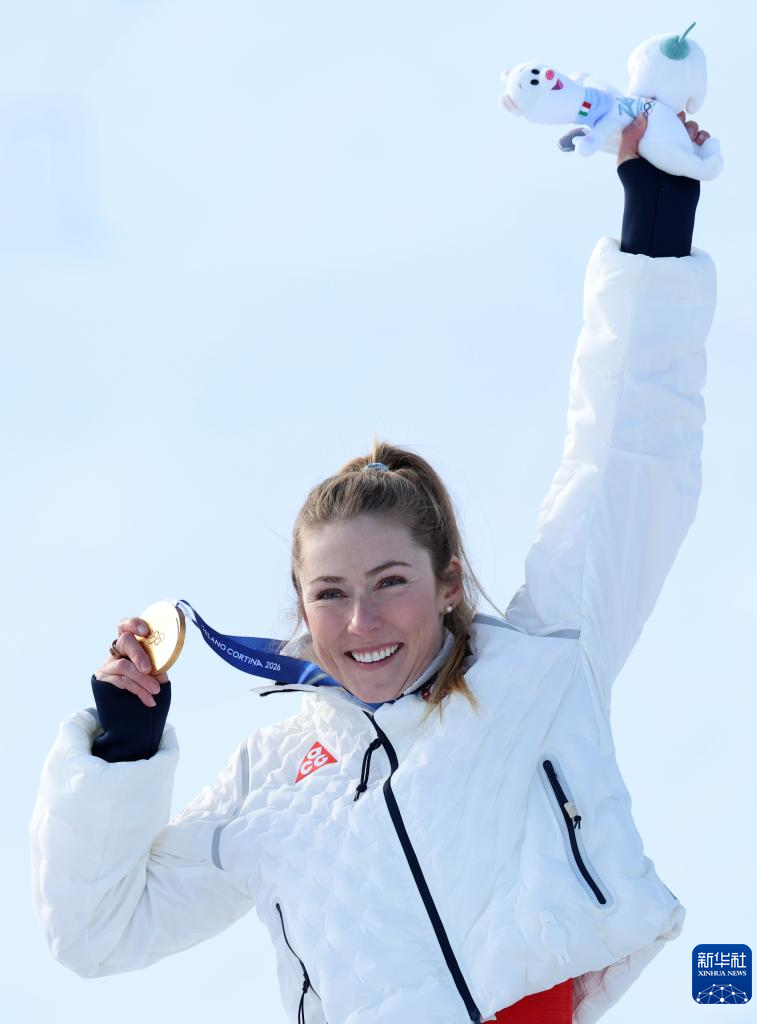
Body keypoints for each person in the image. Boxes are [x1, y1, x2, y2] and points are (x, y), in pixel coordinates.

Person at [29, 112, 717, 1024]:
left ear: (447, 581)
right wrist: (122, 753)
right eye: (331, 594)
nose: (362, 622)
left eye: (391, 581)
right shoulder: (274, 776)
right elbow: (99, 932)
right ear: (301, 607)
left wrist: (656, 219)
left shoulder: (541, 666)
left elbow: (625, 456)